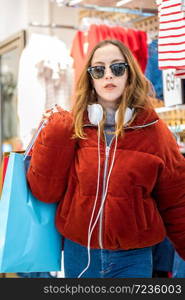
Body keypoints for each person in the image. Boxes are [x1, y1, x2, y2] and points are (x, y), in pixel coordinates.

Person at [27, 39, 185, 278]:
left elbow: (177, 203)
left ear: (129, 74)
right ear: (90, 78)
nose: (108, 75)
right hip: (79, 253)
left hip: (133, 256)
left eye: (117, 68)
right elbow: (45, 192)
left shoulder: (155, 131)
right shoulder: (74, 128)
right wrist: (54, 133)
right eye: (99, 69)